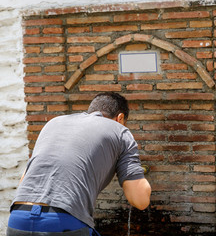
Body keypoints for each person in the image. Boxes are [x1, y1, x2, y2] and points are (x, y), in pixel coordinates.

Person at [7, 92, 151, 236]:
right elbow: (139, 200)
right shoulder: (120, 131)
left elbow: (24, 180)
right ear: (120, 118)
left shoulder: (54, 123)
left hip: (18, 218)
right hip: (63, 221)